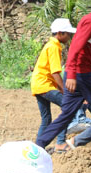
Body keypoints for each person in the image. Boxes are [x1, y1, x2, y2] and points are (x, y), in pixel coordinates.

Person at [35, 0, 91, 148]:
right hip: (82, 75)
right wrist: (73, 75)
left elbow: (86, 43)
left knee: (66, 114)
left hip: (77, 74)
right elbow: (75, 46)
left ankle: (39, 144)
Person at [31, 18, 76, 153]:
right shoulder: (54, 47)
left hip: (38, 85)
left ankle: (37, 149)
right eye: (68, 34)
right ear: (60, 33)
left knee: (46, 119)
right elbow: (55, 72)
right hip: (45, 85)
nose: (69, 36)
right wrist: (64, 90)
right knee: (68, 108)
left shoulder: (50, 45)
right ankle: (60, 143)